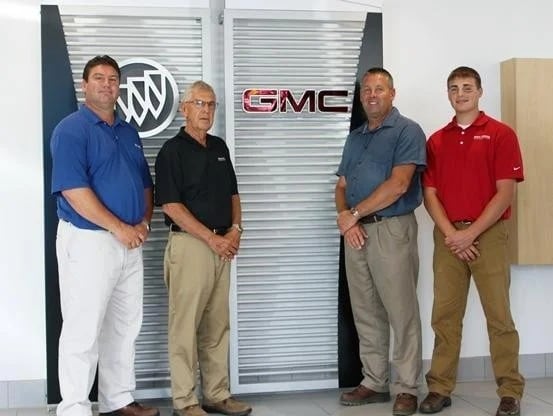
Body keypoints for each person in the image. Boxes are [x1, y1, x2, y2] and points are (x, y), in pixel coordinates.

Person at [50, 55, 158, 416]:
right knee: (82, 328)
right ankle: (74, 408)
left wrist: (143, 223)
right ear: (85, 85)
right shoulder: (71, 130)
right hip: (89, 241)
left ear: (119, 87)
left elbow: (144, 185)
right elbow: (73, 190)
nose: (107, 85)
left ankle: (118, 399)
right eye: (99, 78)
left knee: (125, 326)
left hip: (130, 243)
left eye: (113, 79)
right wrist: (120, 228)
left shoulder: (128, 132)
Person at [419, 66, 525, 416]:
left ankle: (510, 392)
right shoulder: (436, 141)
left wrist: (471, 233)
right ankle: (439, 387)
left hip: (488, 235)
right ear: (448, 94)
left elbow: (505, 192)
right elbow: (430, 193)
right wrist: (453, 234)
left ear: (480, 92)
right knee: (445, 315)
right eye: (454, 88)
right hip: (448, 237)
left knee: (499, 316)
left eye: (467, 87)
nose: (460, 93)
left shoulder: (501, 134)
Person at [154, 80, 252, 416]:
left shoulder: (220, 147)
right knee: (184, 327)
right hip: (191, 246)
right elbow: (171, 205)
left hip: (223, 246)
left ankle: (216, 394)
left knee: (216, 325)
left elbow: (233, 195)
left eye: (211, 104)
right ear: (184, 108)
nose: (206, 110)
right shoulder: (172, 151)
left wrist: (235, 230)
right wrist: (211, 239)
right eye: (199, 103)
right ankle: (185, 401)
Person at [335, 67, 426, 416]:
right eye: (367, 90)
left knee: (401, 312)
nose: (372, 95)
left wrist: (354, 214)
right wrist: (346, 219)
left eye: (379, 89)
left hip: (391, 229)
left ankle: (407, 387)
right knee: (366, 310)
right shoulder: (355, 137)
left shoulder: (407, 131)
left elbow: (399, 185)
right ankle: (374, 381)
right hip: (356, 232)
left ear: (392, 93)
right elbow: (342, 185)